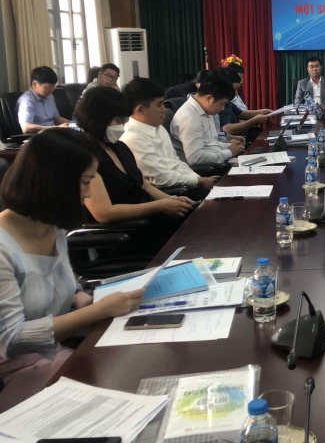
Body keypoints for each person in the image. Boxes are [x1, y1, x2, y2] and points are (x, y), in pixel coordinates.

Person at [0, 129, 145, 411]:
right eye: (85, 182)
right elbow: (12, 339)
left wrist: (76, 294)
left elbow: (52, 279)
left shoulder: (51, 225)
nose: (88, 193)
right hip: (11, 373)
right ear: (54, 183)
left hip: (53, 353)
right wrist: (97, 311)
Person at [74, 87, 194, 258]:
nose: (122, 126)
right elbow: (104, 213)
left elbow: (144, 185)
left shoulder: (119, 147)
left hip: (150, 223)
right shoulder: (85, 156)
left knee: (196, 223)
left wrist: (172, 200)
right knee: (191, 246)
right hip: (123, 235)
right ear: (98, 119)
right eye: (117, 121)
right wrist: (160, 206)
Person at [120, 78, 219, 201]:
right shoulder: (133, 139)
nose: (164, 109)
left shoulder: (158, 127)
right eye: (159, 104)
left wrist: (199, 179)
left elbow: (176, 162)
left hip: (184, 185)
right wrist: (199, 181)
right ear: (140, 109)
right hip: (167, 195)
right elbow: (161, 178)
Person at [171, 73, 245, 165]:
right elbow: (194, 158)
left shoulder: (205, 110)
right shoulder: (189, 117)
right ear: (209, 98)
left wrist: (231, 146)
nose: (222, 108)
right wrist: (229, 152)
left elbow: (211, 144)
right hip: (204, 170)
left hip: (215, 162)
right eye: (222, 103)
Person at [17, 67, 69, 133]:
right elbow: (26, 128)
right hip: (38, 136)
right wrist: (56, 128)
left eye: (53, 87)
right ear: (35, 84)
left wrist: (74, 125)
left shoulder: (49, 96)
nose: (51, 90)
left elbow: (57, 118)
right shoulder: (27, 101)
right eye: (47, 87)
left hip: (52, 133)